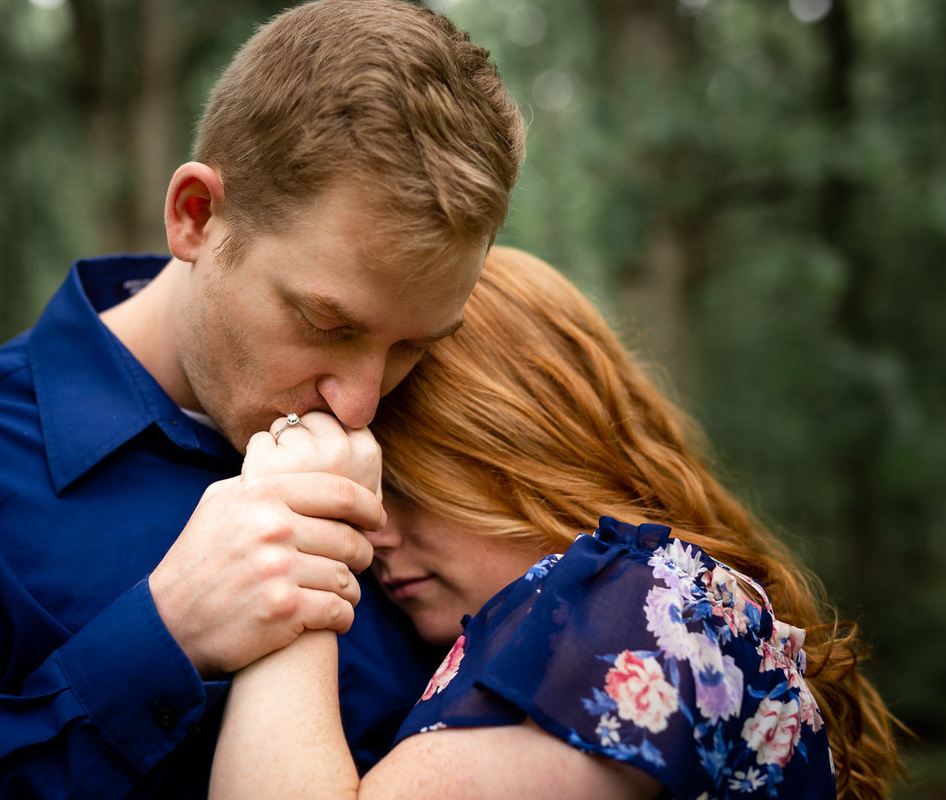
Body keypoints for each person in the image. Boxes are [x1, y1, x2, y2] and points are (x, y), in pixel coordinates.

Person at [0, 2, 525, 797]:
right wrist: (161, 642)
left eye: (413, 345)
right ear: (196, 216)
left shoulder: (443, 453)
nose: (360, 404)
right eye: (325, 323)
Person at [209, 246, 904, 799]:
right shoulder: (673, 607)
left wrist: (294, 532)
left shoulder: (632, 607)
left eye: (405, 484)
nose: (369, 530)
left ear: (523, 444)